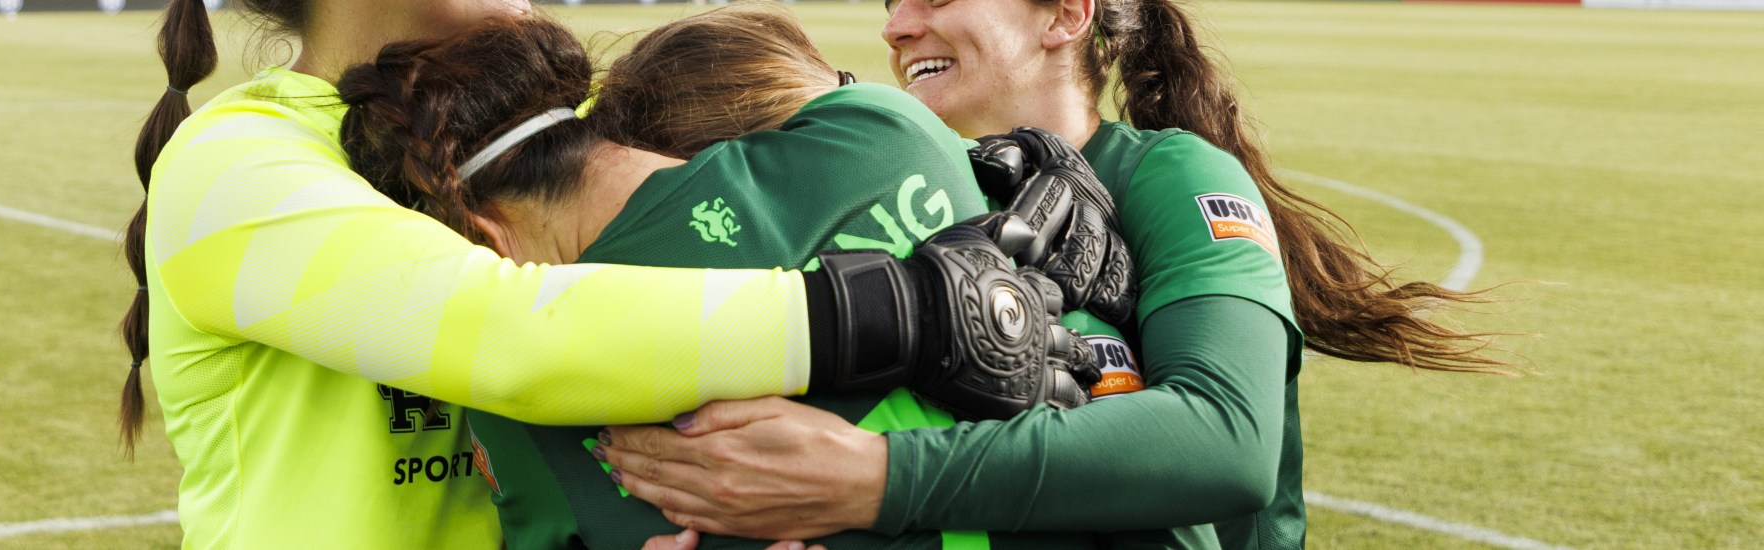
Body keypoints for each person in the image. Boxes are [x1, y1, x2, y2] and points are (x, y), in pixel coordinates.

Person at [116, 0, 1098, 547]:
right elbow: (518, 336)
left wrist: (1015, 171)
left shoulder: (567, 106)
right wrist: (913, 307)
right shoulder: (234, 164)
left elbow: (814, 170)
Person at [601, 0, 1512, 547]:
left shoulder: (1170, 173)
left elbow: (1225, 441)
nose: (895, 23)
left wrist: (874, 479)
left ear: (1066, 15)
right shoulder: (900, 191)